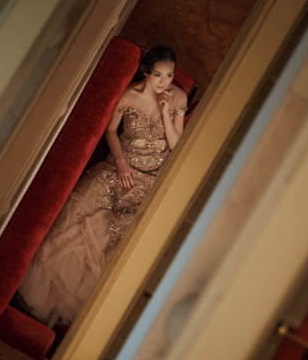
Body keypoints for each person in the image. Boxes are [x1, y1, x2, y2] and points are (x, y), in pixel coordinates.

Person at [17, 46, 187, 326]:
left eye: (168, 76)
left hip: (153, 179)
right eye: (158, 75)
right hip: (121, 169)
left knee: (121, 236)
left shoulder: (177, 97)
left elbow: (176, 146)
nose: (163, 83)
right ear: (146, 72)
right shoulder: (129, 96)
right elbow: (110, 131)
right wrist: (120, 163)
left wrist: (168, 113)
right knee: (77, 223)